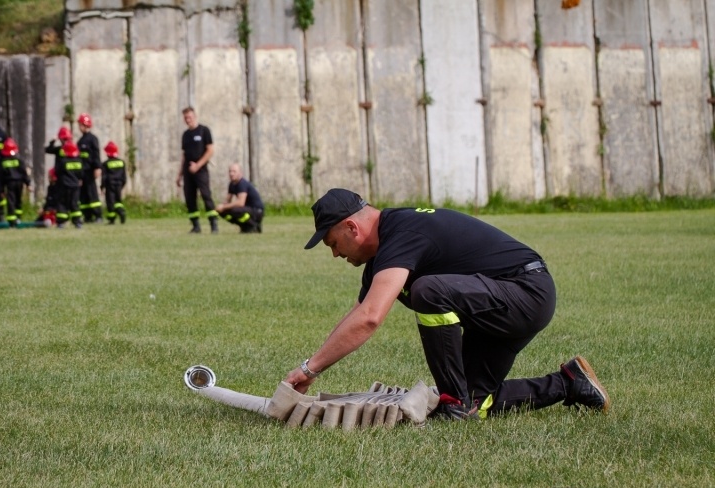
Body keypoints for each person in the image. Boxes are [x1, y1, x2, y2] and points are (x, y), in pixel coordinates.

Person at [284, 188, 610, 421]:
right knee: (477, 403)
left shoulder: (401, 233)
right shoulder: (385, 253)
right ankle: (569, 382)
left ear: (352, 227)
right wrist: (311, 367)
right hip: (500, 301)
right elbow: (358, 313)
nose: (336, 254)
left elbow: (371, 318)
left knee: (428, 290)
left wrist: (309, 368)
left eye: (333, 243)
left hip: (526, 291)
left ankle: (452, 401)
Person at [175, 107, 217, 234]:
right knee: (190, 198)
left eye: (190, 117)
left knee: (206, 195)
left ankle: (213, 224)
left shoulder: (204, 131)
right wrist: (180, 174)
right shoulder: (185, 135)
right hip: (188, 171)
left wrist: (198, 165)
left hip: (201, 170)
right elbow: (184, 155)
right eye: (186, 118)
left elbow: (210, 151)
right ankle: (196, 226)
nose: (188, 120)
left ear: (195, 116)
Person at [215, 163, 264, 233]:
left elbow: (241, 203)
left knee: (235, 211)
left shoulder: (242, 184)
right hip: (247, 209)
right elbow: (227, 201)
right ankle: (244, 226)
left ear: (240, 173)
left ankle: (253, 225)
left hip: (257, 211)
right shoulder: (232, 184)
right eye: (230, 171)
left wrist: (224, 207)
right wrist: (220, 207)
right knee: (223, 212)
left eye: (234, 171)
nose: (231, 174)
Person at [76, 113, 103, 223]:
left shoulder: (93, 139)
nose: (79, 127)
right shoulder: (80, 141)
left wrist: (97, 168)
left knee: (92, 193)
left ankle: (98, 215)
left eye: (80, 124)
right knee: (83, 194)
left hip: (90, 170)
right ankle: (87, 216)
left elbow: (96, 154)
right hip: (83, 172)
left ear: (85, 125)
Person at [0, 138, 31, 227]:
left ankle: (12, 221)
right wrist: (28, 184)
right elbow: (24, 173)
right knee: (18, 201)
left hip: (9, 184)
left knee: (11, 202)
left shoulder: (3, 161)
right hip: (19, 183)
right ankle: (18, 218)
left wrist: (1, 189)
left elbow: (1, 177)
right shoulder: (19, 160)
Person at [55, 140, 84, 229]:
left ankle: (61, 222)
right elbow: (81, 174)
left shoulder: (63, 161)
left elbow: (57, 172)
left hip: (64, 186)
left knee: (63, 203)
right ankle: (77, 222)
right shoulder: (79, 161)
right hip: (75, 186)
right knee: (74, 203)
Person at [101, 141, 127, 224]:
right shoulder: (121, 162)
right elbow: (124, 176)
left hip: (110, 184)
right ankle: (121, 211)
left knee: (110, 202)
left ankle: (112, 219)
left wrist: (102, 186)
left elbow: (104, 177)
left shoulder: (106, 164)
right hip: (119, 184)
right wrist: (122, 184)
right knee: (118, 201)